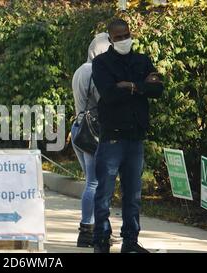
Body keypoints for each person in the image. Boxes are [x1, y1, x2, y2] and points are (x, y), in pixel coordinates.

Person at [92, 19, 164, 253]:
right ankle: (101, 240)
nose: (124, 40)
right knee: (104, 192)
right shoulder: (101, 63)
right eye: (118, 37)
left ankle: (130, 242)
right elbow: (109, 94)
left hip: (135, 137)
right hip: (112, 137)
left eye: (126, 35)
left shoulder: (141, 60)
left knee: (133, 195)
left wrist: (130, 85)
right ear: (110, 39)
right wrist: (140, 86)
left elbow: (157, 89)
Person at [71, 32, 111, 247]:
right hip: (94, 130)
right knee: (95, 183)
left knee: (92, 182)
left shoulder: (80, 70)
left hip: (79, 127)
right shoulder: (96, 71)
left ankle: (98, 228)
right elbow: (103, 101)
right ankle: (88, 231)